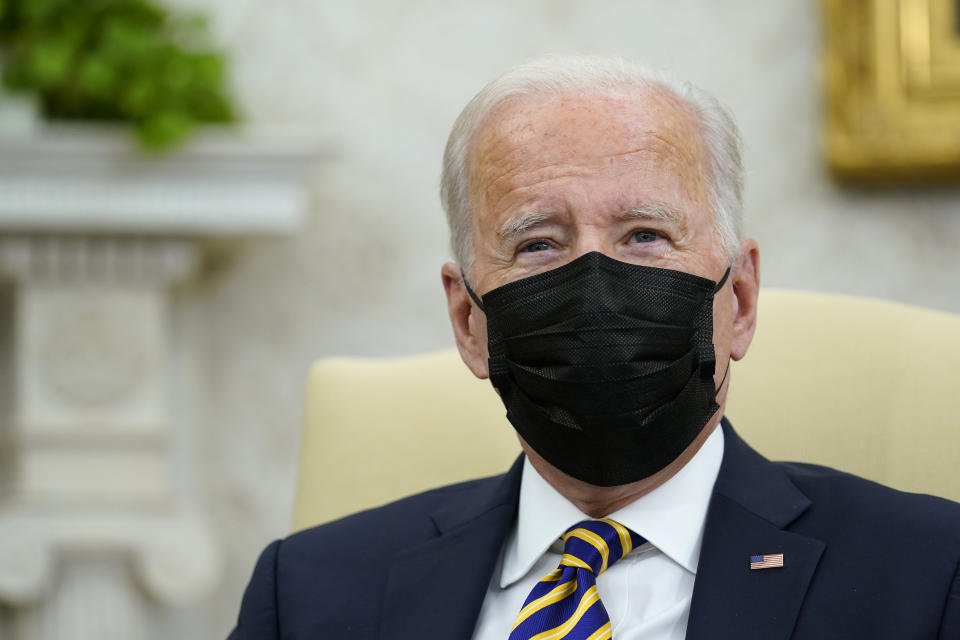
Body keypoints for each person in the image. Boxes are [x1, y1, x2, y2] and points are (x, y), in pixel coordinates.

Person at [227, 55, 960, 640]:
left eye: (646, 236)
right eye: (539, 243)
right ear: (467, 321)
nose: (597, 284)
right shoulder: (309, 593)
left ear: (738, 301)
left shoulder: (928, 574)